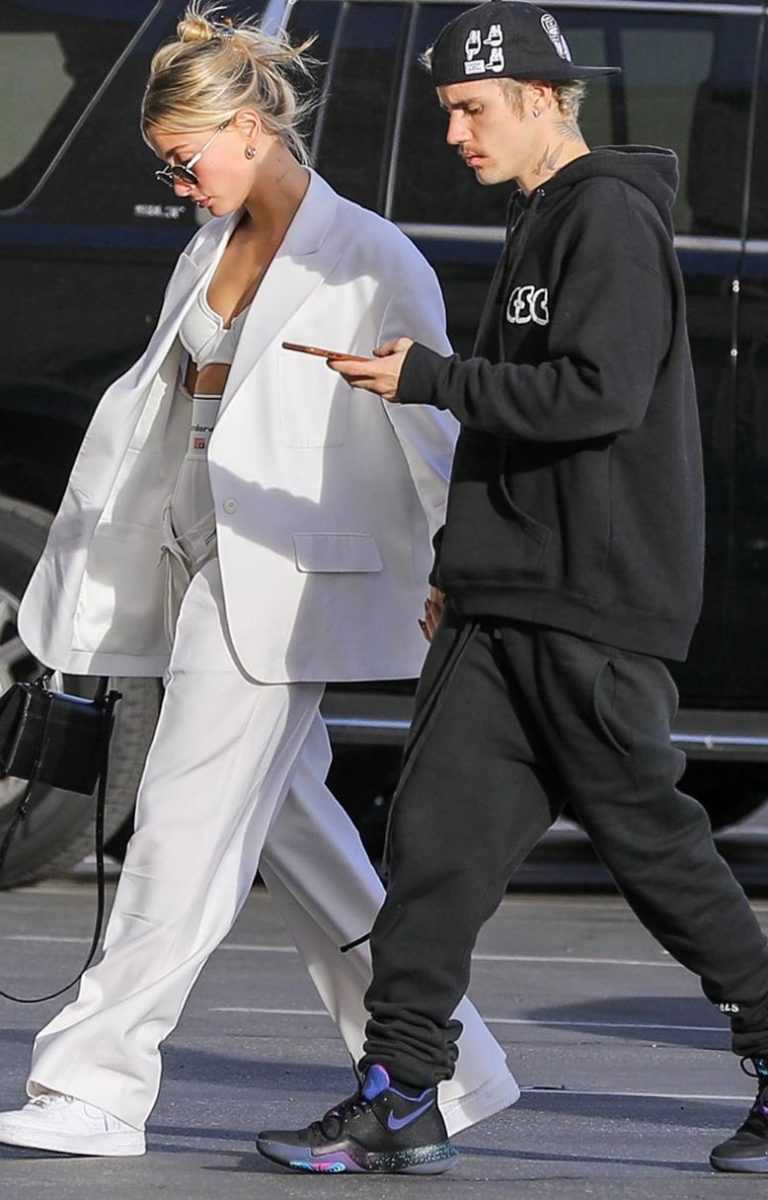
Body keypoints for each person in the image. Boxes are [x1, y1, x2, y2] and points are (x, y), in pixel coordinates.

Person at [0, 1, 520, 1158]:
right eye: (165, 165)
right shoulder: (211, 243)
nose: (176, 183)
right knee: (295, 834)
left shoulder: (370, 255)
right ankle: (450, 1069)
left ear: (249, 129)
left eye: (184, 160)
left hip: (284, 581)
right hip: (195, 562)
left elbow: (432, 435)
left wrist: (459, 569)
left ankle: (94, 1085)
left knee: (180, 825)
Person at [257, 0, 768, 1177]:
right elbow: (510, 430)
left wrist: (430, 378)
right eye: (447, 112)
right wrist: (456, 568)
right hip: (500, 599)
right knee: (433, 849)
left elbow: (597, 394)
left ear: (542, 98)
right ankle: (402, 1093)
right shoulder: (541, 214)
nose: (455, 133)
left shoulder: (609, 217)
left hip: (589, 603)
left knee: (656, 852)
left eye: (473, 109)